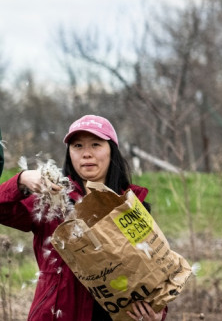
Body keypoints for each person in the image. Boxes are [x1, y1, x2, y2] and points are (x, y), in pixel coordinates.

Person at [0, 114, 163, 321]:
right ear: (69, 154)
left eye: (96, 144)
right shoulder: (51, 201)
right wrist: (21, 180)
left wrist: (158, 314)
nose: (86, 154)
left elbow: (154, 274)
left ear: (111, 151)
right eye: (77, 146)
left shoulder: (132, 208)